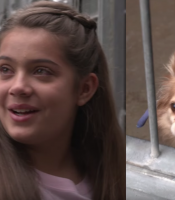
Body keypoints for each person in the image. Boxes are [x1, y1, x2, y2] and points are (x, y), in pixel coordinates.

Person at [0, 1, 125, 200]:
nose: (18, 87)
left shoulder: (105, 176)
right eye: (5, 69)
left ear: (85, 89)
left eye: (41, 71)